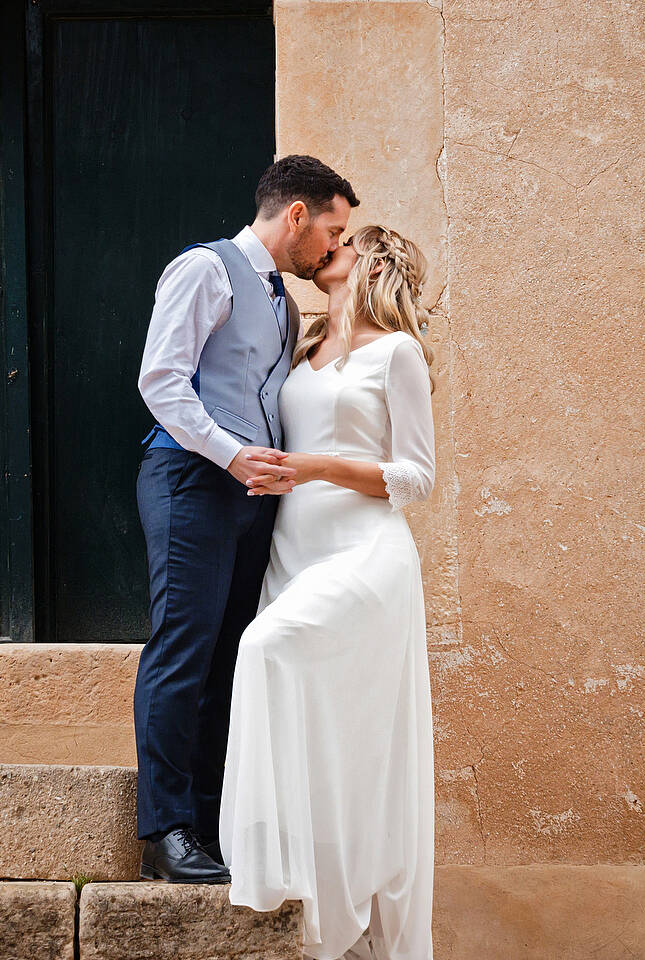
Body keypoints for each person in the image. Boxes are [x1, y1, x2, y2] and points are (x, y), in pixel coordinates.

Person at [133, 155, 359, 883]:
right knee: (183, 648)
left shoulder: (285, 301)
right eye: (332, 229)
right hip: (190, 479)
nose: (331, 246)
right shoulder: (203, 269)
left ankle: (208, 823)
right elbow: (160, 380)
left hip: (251, 497)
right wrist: (232, 457)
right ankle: (165, 831)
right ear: (296, 216)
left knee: (231, 658)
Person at [218, 224, 438, 960]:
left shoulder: (397, 352)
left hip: (365, 553)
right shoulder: (303, 347)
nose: (325, 252)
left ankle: (265, 863)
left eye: (343, 245)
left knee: (266, 647)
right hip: (293, 552)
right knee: (331, 732)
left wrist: (315, 467)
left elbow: (416, 478)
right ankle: (322, 909)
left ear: (372, 261)